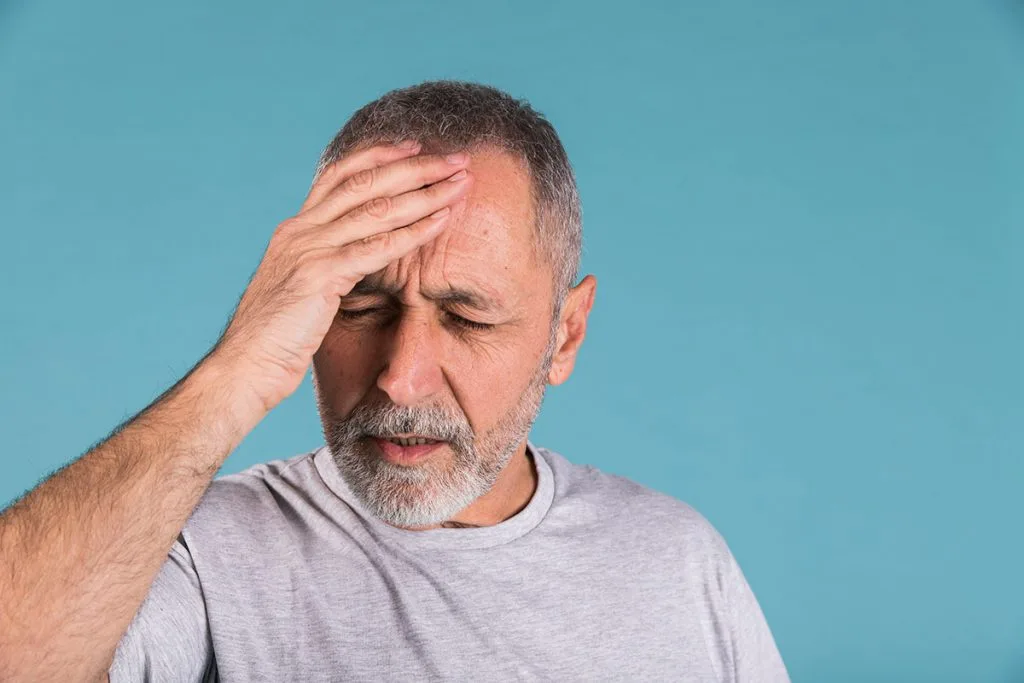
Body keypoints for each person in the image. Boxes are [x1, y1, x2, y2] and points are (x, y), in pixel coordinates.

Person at [0, 81, 789, 682]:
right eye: (361, 305)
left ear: (565, 333)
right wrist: (233, 372)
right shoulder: (196, 554)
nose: (401, 380)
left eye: (468, 318)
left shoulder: (679, 562)